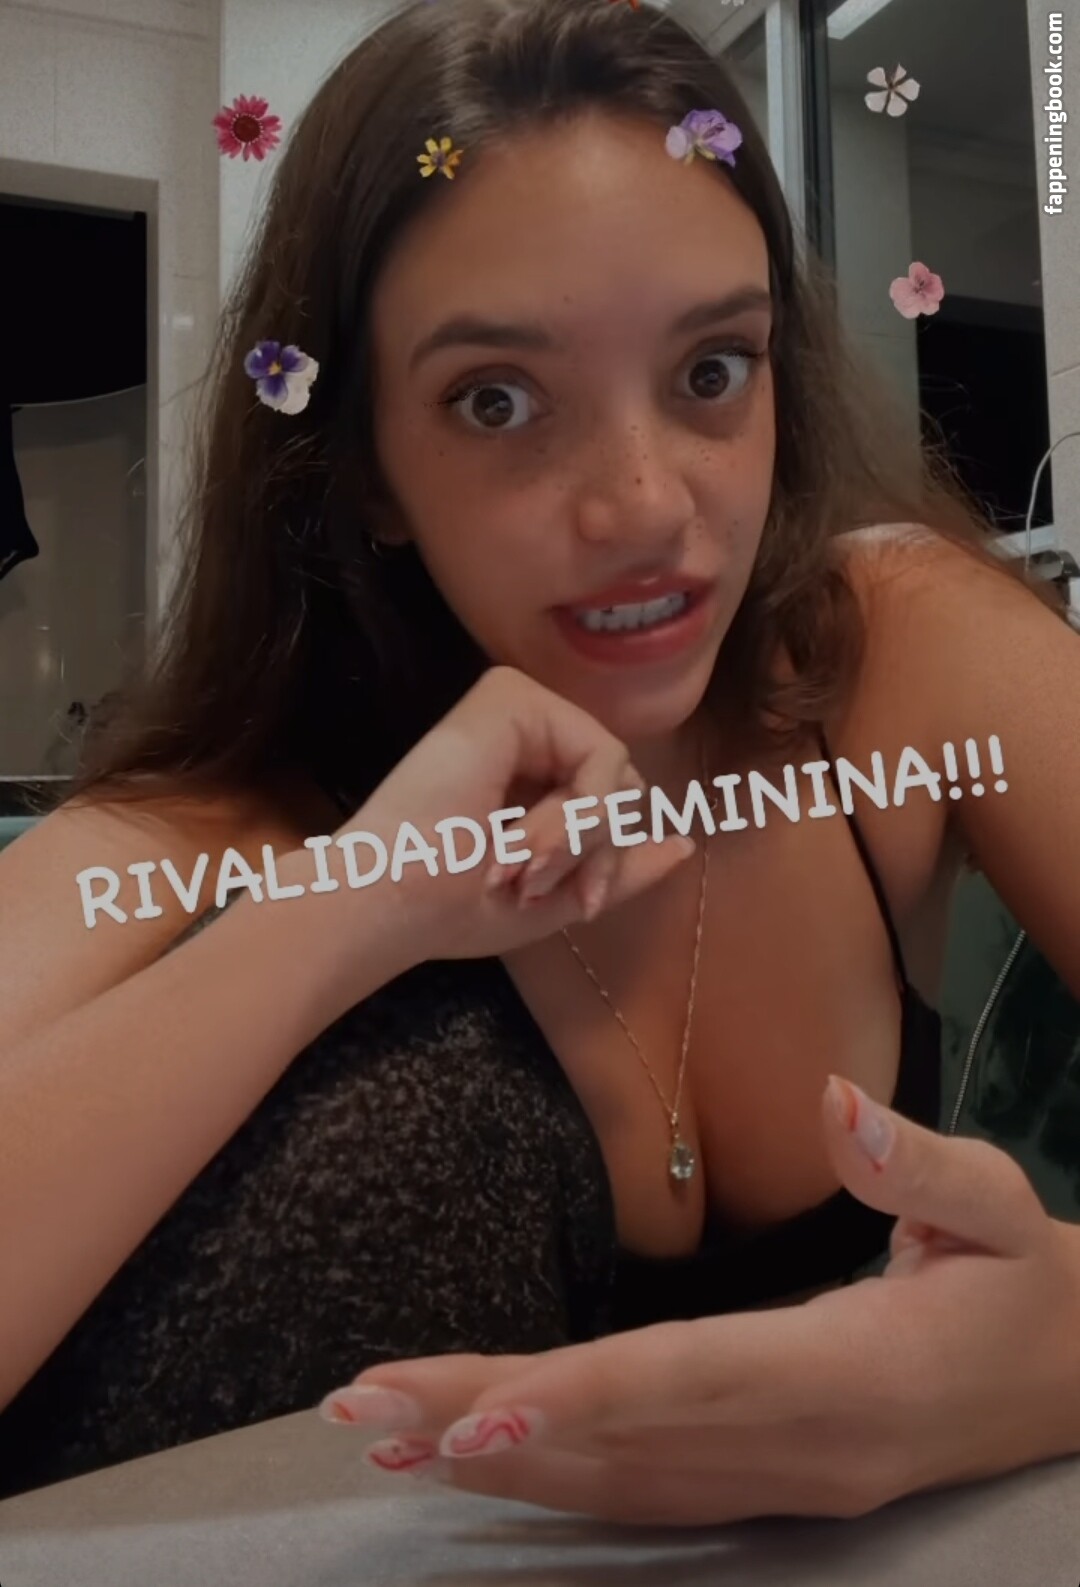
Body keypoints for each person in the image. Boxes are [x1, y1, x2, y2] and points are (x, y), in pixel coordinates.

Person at [0, 0, 1078, 1515]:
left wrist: (1055, 1345)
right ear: (367, 467)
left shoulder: (880, 654)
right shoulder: (209, 830)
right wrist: (354, 904)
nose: (645, 507)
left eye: (713, 370)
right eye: (496, 400)